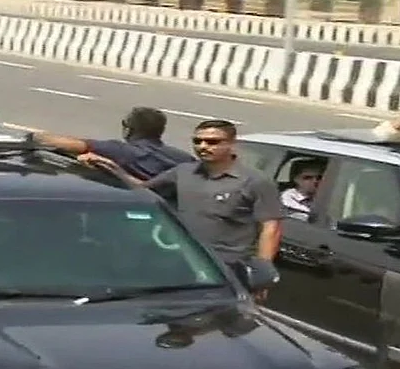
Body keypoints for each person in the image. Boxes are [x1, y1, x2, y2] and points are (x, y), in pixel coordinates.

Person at [81, 119, 282, 300]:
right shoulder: (184, 171)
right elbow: (143, 189)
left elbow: (270, 228)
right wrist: (110, 166)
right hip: (184, 265)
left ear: (231, 144)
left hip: (226, 271)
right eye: (198, 141)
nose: (203, 146)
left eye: (212, 142)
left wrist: (262, 274)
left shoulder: (255, 181)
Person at [32, 107, 194, 180]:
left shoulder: (120, 151)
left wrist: (36, 137)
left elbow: (74, 145)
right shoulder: (184, 158)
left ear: (128, 129)